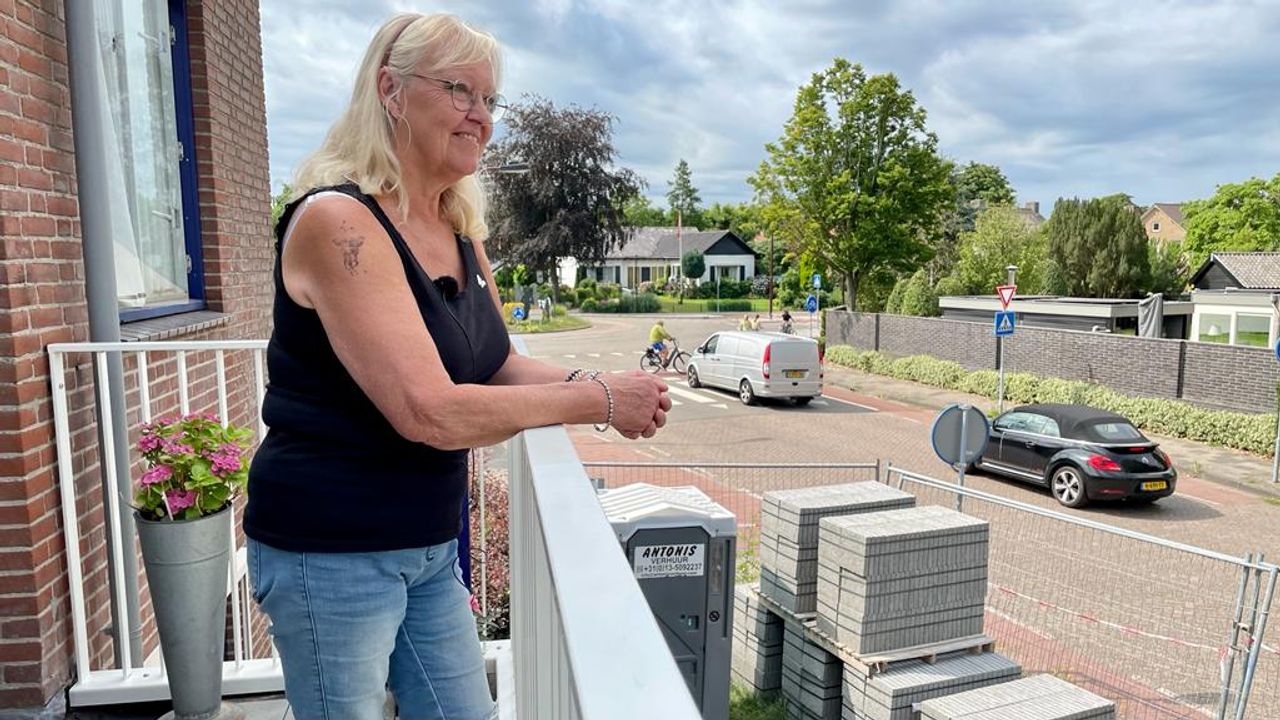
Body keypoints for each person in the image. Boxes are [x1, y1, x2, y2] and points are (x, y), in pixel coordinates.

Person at [244, 14, 671, 720]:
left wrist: (613, 388)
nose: (482, 117)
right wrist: (596, 400)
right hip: (330, 551)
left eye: (490, 99)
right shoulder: (338, 222)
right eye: (459, 91)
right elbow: (431, 411)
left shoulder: (457, 232)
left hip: (428, 546)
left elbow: (496, 364)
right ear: (390, 89)